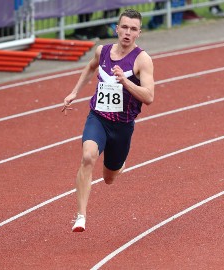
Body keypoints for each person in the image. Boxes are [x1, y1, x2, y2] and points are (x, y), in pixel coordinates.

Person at [62, 9, 155, 232]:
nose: (127, 33)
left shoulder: (142, 60)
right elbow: (90, 67)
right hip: (98, 117)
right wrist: (75, 91)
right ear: (116, 28)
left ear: (139, 33)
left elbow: (149, 97)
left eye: (133, 29)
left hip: (122, 126)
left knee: (109, 178)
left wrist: (126, 82)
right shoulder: (102, 51)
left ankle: (118, 165)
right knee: (87, 156)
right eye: (124, 27)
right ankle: (81, 215)